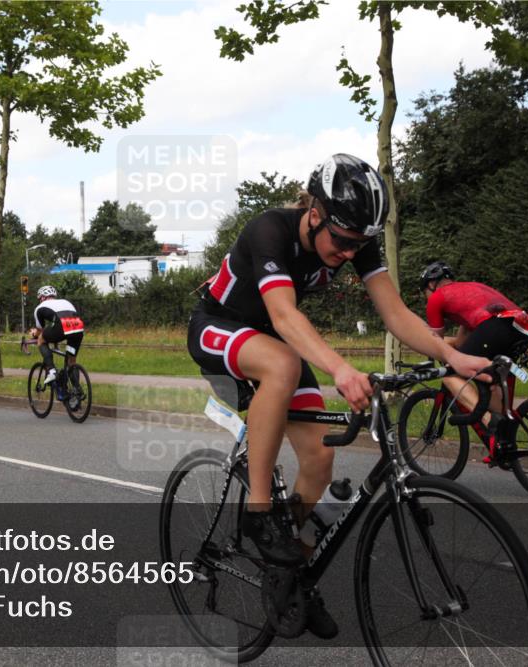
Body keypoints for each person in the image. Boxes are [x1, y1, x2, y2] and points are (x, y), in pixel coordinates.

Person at [188, 153, 490, 633]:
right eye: (344, 240)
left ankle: (288, 578)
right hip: (218, 327)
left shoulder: (356, 241)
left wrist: (452, 356)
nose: (350, 252)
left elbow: (395, 314)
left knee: (319, 461)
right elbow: (285, 316)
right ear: (314, 213)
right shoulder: (268, 229)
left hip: (273, 343)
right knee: (283, 363)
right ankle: (258, 512)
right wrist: (340, 369)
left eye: (361, 243)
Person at [419, 261, 528, 425]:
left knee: (450, 376)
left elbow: (435, 341)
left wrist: (424, 347)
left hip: (494, 328)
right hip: (523, 328)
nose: (426, 298)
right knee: (490, 384)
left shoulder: (436, 298)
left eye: (424, 293)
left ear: (431, 285)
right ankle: (503, 433)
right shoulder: (470, 291)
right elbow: (459, 343)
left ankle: (488, 420)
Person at [28, 286, 84, 387]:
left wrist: (33, 334)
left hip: (62, 328)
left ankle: (52, 371)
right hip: (78, 328)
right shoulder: (65, 302)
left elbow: (40, 330)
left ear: (42, 297)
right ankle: (77, 391)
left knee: (41, 340)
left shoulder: (39, 308)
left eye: (40, 298)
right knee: (71, 361)